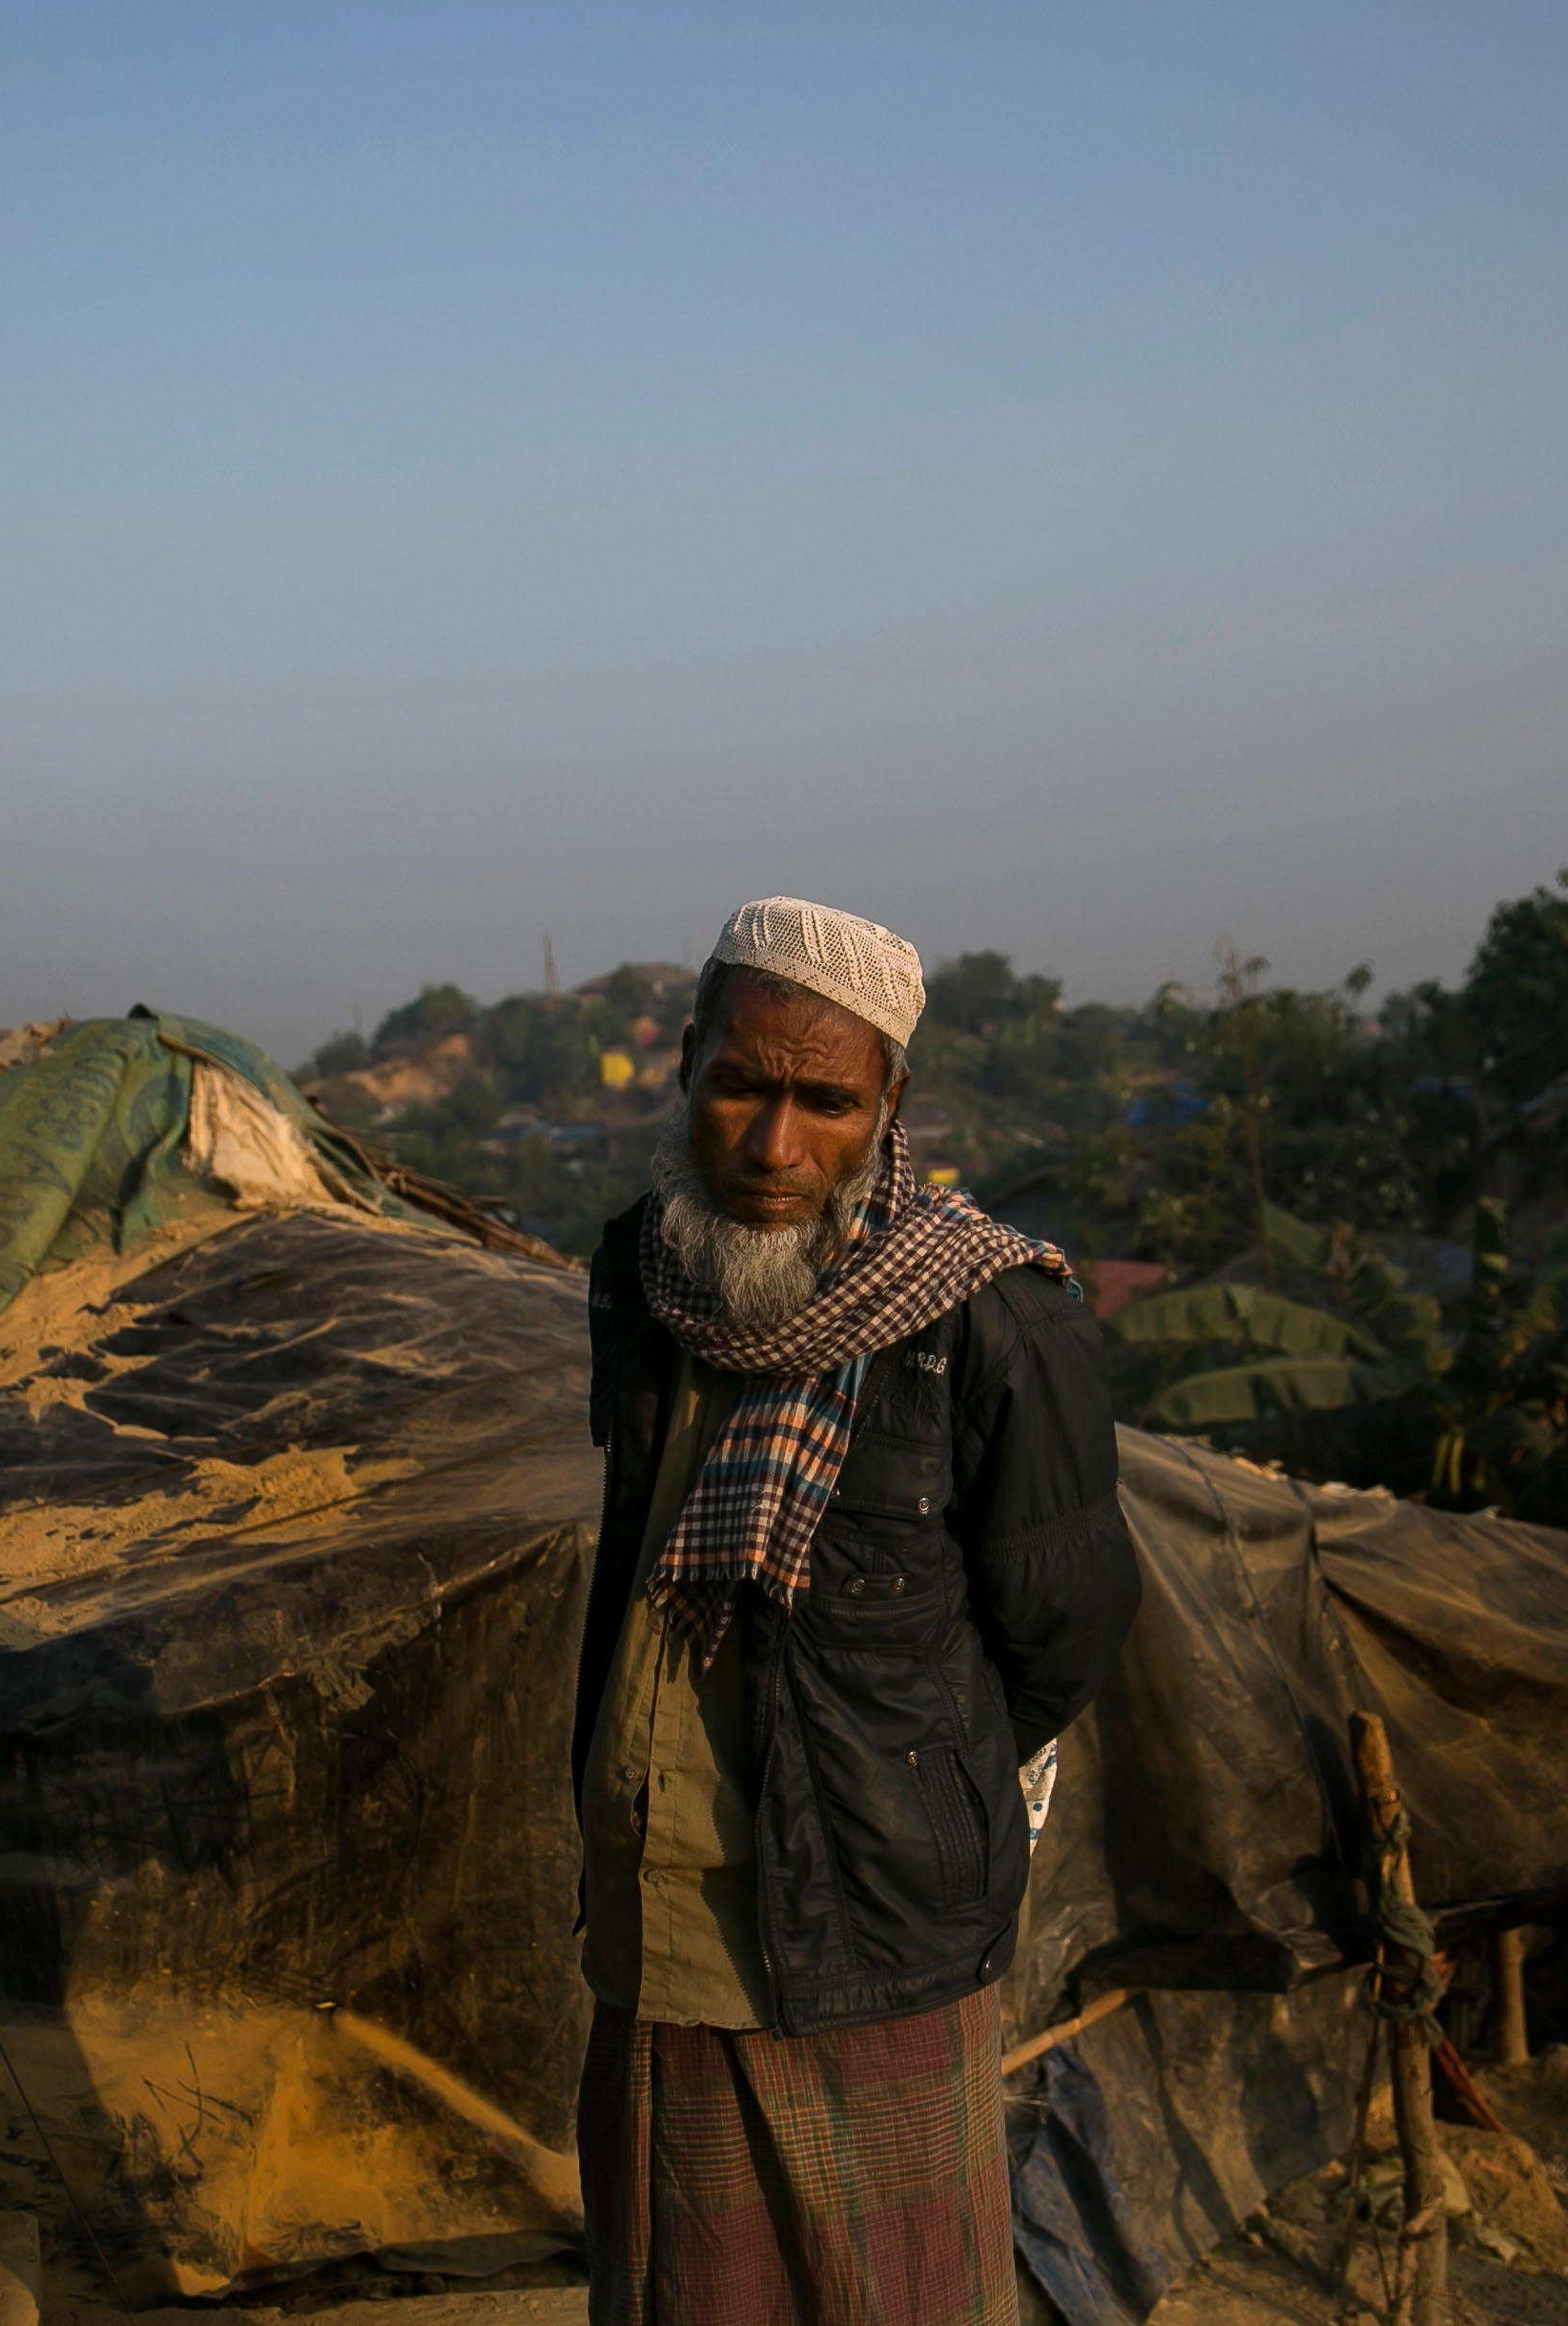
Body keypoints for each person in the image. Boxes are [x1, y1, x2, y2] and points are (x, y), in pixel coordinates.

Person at [574, 896, 1138, 2326]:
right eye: (739, 1086)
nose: (774, 1147)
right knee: (678, 2291)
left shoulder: (991, 1315)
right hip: (662, 1912)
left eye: (823, 1101)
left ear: (890, 1102)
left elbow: (1060, 1634)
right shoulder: (642, 1274)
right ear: (687, 1059)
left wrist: (907, 1791)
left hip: (869, 1922)